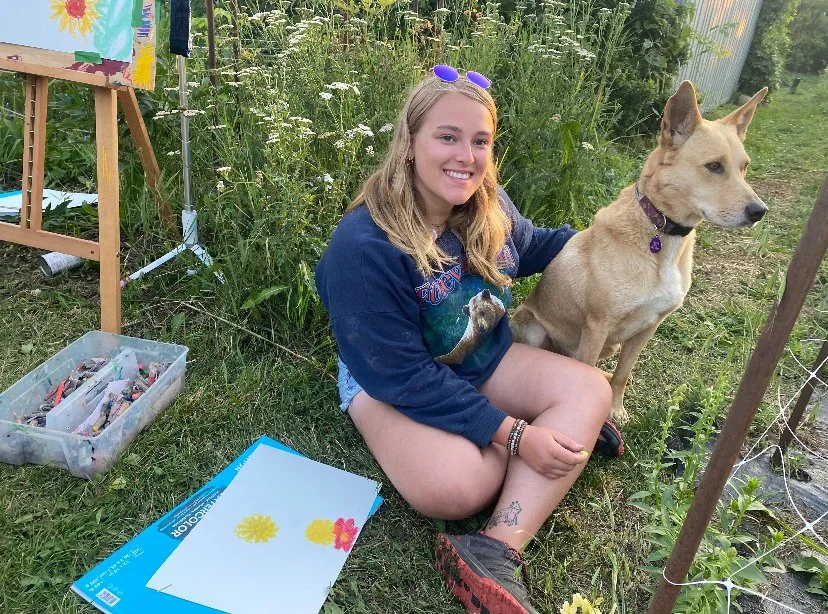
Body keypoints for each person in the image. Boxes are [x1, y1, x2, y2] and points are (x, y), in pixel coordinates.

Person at [315, 65, 619, 614]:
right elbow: (403, 375)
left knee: (592, 390)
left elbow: (532, 249)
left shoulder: (488, 205)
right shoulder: (363, 247)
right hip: (390, 381)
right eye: (447, 136)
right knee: (459, 489)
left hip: (479, 355)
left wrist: (612, 238)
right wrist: (516, 435)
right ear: (409, 143)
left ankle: (493, 549)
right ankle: (544, 439)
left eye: (480, 141)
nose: (466, 156)